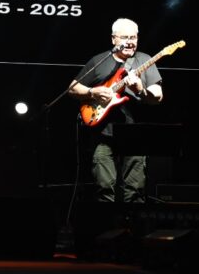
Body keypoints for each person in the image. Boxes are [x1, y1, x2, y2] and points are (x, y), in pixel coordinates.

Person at [67, 17, 164, 203]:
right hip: (102, 133)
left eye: (133, 37)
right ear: (114, 39)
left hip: (135, 134)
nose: (130, 42)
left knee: (135, 190)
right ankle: (105, 221)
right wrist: (92, 92)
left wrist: (141, 90)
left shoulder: (145, 60)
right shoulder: (99, 60)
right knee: (103, 188)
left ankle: (133, 221)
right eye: (125, 37)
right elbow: (72, 88)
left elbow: (158, 96)